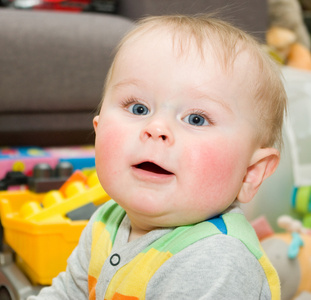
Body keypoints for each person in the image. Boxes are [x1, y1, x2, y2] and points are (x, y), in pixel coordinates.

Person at [28, 14, 287, 300]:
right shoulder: (107, 220)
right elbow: (68, 293)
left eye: (196, 119)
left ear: (250, 173)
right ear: (98, 131)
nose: (157, 128)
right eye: (138, 108)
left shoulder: (216, 260)